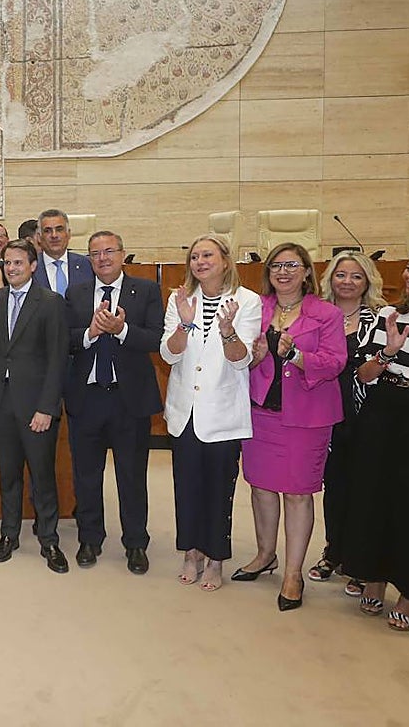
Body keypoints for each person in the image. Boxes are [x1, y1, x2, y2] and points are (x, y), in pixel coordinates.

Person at [341, 243, 409, 633]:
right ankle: (374, 575)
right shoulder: (389, 314)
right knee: (374, 495)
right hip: (382, 410)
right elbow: (364, 375)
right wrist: (389, 350)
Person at [236, 244, 346, 612]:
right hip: (260, 411)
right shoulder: (257, 307)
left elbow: (335, 363)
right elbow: (241, 358)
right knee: (262, 487)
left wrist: (294, 355)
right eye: (276, 266)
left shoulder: (326, 313)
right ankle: (265, 554)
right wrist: (256, 356)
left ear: (306, 272)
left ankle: (293, 574)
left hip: (307, 417)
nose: (283, 272)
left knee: (298, 494)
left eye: (291, 265)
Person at [160, 234, 261, 592]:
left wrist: (228, 331)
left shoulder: (246, 301)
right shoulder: (180, 298)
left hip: (222, 412)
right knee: (186, 487)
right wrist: (185, 324)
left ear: (225, 260)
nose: (200, 262)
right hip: (184, 411)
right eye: (194, 257)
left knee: (219, 489)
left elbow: (241, 359)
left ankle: (216, 557)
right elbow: (169, 354)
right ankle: (192, 552)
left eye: (207, 255)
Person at [64, 231, 163, 575]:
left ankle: (135, 542)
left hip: (128, 399)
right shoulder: (75, 293)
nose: (103, 258)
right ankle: (90, 538)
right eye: (95, 253)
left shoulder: (146, 290)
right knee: (86, 475)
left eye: (109, 252)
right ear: (88, 259)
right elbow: (66, 340)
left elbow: (156, 338)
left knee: (132, 475)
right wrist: (91, 332)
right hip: (86, 397)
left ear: (123, 255)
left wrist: (121, 330)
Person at [0, 239, 68, 570]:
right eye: (7, 263)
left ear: (33, 266)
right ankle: (9, 534)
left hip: (36, 408)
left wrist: (47, 408)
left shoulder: (50, 302)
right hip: (1, 404)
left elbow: (57, 359)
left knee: (42, 475)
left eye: (19, 262)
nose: (12, 268)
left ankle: (49, 540)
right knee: (8, 475)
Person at [307, 251, 385, 595]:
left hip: (368, 413)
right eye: (341, 275)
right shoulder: (319, 314)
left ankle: (360, 562)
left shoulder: (382, 317)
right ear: (330, 280)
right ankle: (333, 552)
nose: (348, 282)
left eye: (356, 276)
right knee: (335, 484)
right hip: (326, 407)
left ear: (367, 281)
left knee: (365, 487)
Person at [32, 209, 94, 297]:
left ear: (68, 234)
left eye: (59, 229)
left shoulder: (87, 264)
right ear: (39, 237)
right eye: (48, 231)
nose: (54, 235)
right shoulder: (30, 267)